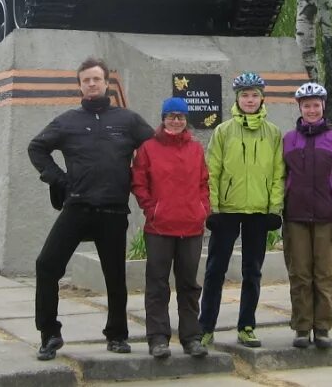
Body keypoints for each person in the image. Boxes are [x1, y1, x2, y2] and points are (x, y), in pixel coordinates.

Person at [26, 57, 153, 361]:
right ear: (80, 85)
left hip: (112, 210)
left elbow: (154, 150)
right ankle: (49, 333)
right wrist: (59, 179)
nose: (92, 84)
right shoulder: (67, 121)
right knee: (46, 265)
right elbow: (37, 148)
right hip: (77, 206)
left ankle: (117, 334)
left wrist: (145, 187)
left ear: (107, 82)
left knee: (115, 275)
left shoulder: (128, 120)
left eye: (97, 79)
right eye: (86, 80)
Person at [198, 72, 284, 350]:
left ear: (262, 98)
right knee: (215, 270)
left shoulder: (273, 133)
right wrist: (212, 209)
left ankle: (246, 325)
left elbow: (278, 174)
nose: (250, 99)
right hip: (227, 211)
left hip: (258, 212)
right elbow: (212, 171)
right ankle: (205, 326)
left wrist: (274, 208)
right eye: (245, 95)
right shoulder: (223, 131)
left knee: (253, 272)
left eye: (254, 95)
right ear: (237, 98)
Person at [130, 96, 209, 359]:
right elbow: (139, 182)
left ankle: (191, 337)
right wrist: (151, 209)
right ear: (163, 119)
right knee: (157, 285)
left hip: (191, 227)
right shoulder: (148, 148)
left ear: (186, 120)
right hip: (160, 228)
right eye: (171, 116)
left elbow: (204, 183)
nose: (176, 121)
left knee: (189, 285)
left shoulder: (196, 149)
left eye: (180, 117)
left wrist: (202, 209)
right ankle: (158, 338)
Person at [281, 81, 332, 349]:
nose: (311, 110)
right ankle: (302, 327)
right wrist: (279, 208)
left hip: (326, 217)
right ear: (299, 108)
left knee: (323, 274)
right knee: (300, 274)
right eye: (306, 106)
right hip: (295, 217)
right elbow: (281, 177)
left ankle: (322, 327)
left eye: (315, 105)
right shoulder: (289, 139)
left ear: (323, 107)